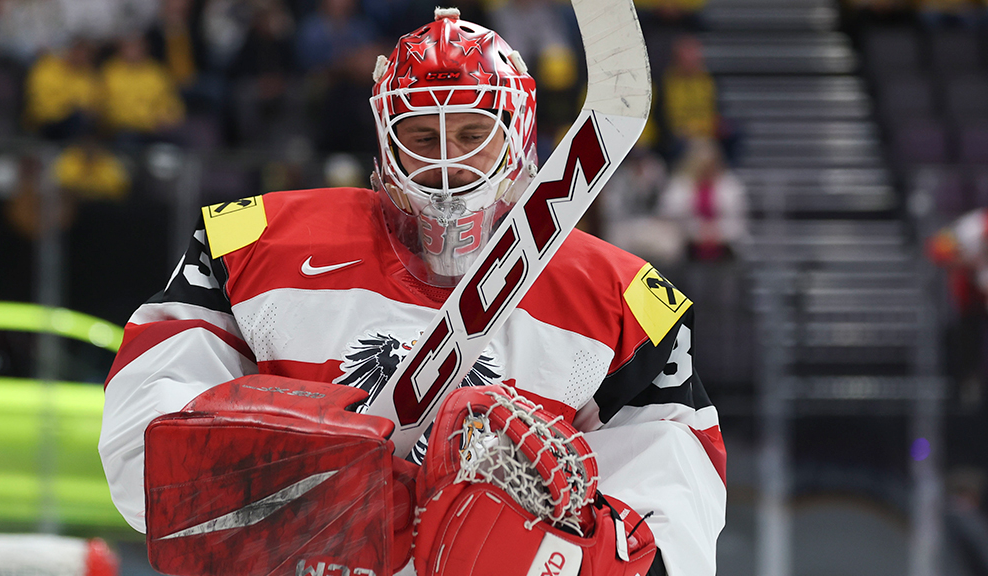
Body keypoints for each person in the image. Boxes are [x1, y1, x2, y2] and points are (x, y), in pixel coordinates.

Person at [99, 8, 726, 576]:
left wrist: (564, 560)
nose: (446, 167)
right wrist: (318, 483)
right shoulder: (251, 247)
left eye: (470, 136)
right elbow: (144, 461)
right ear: (384, 141)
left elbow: (678, 513)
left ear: (518, 140)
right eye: (422, 138)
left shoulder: (620, 301)